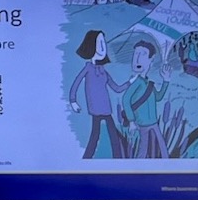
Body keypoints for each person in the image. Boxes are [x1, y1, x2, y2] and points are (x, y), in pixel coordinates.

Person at [68, 29, 127, 158]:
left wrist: (130, 82)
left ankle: (118, 161)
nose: (102, 48)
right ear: (91, 45)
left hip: (107, 110)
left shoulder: (103, 71)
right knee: (94, 137)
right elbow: (75, 85)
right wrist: (73, 101)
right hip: (95, 110)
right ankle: (86, 160)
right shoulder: (88, 69)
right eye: (100, 44)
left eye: (103, 44)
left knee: (114, 139)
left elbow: (116, 88)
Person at [119, 40, 172, 158]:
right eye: (135, 54)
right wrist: (132, 121)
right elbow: (125, 100)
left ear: (151, 59)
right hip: (142, 124)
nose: (137, 59)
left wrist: (166, 81)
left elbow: (158, 97)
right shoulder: (136, 83)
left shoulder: (149, 84)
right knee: (143, 150)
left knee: (163, 147)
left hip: (154, 123)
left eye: (142, 54)